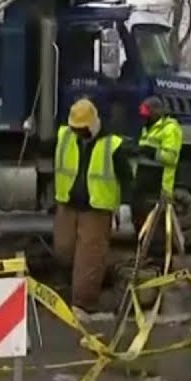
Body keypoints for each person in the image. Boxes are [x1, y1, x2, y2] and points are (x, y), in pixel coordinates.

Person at [53, 98, 135, 318]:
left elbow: (126, 178)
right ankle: (77, 288)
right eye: (75, 129)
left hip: (96, 208)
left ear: (93, 124)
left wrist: (124, 205)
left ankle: (84, 304)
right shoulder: (65, 136)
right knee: (64, 250)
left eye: (82, 130)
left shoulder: (113, 145)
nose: (78, 133)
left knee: (89, 256)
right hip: (68, 204)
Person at [131, 96, 183, 248]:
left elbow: (171, 157)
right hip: (144, 184)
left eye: (147, 115)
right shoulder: (149, 127)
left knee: (156, 229)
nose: (144, 118)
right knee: (141, 223)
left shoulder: (170, 129)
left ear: (157, 112)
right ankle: (144, 257)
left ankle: (158, 261)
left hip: (158, 186)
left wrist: (151, 152)